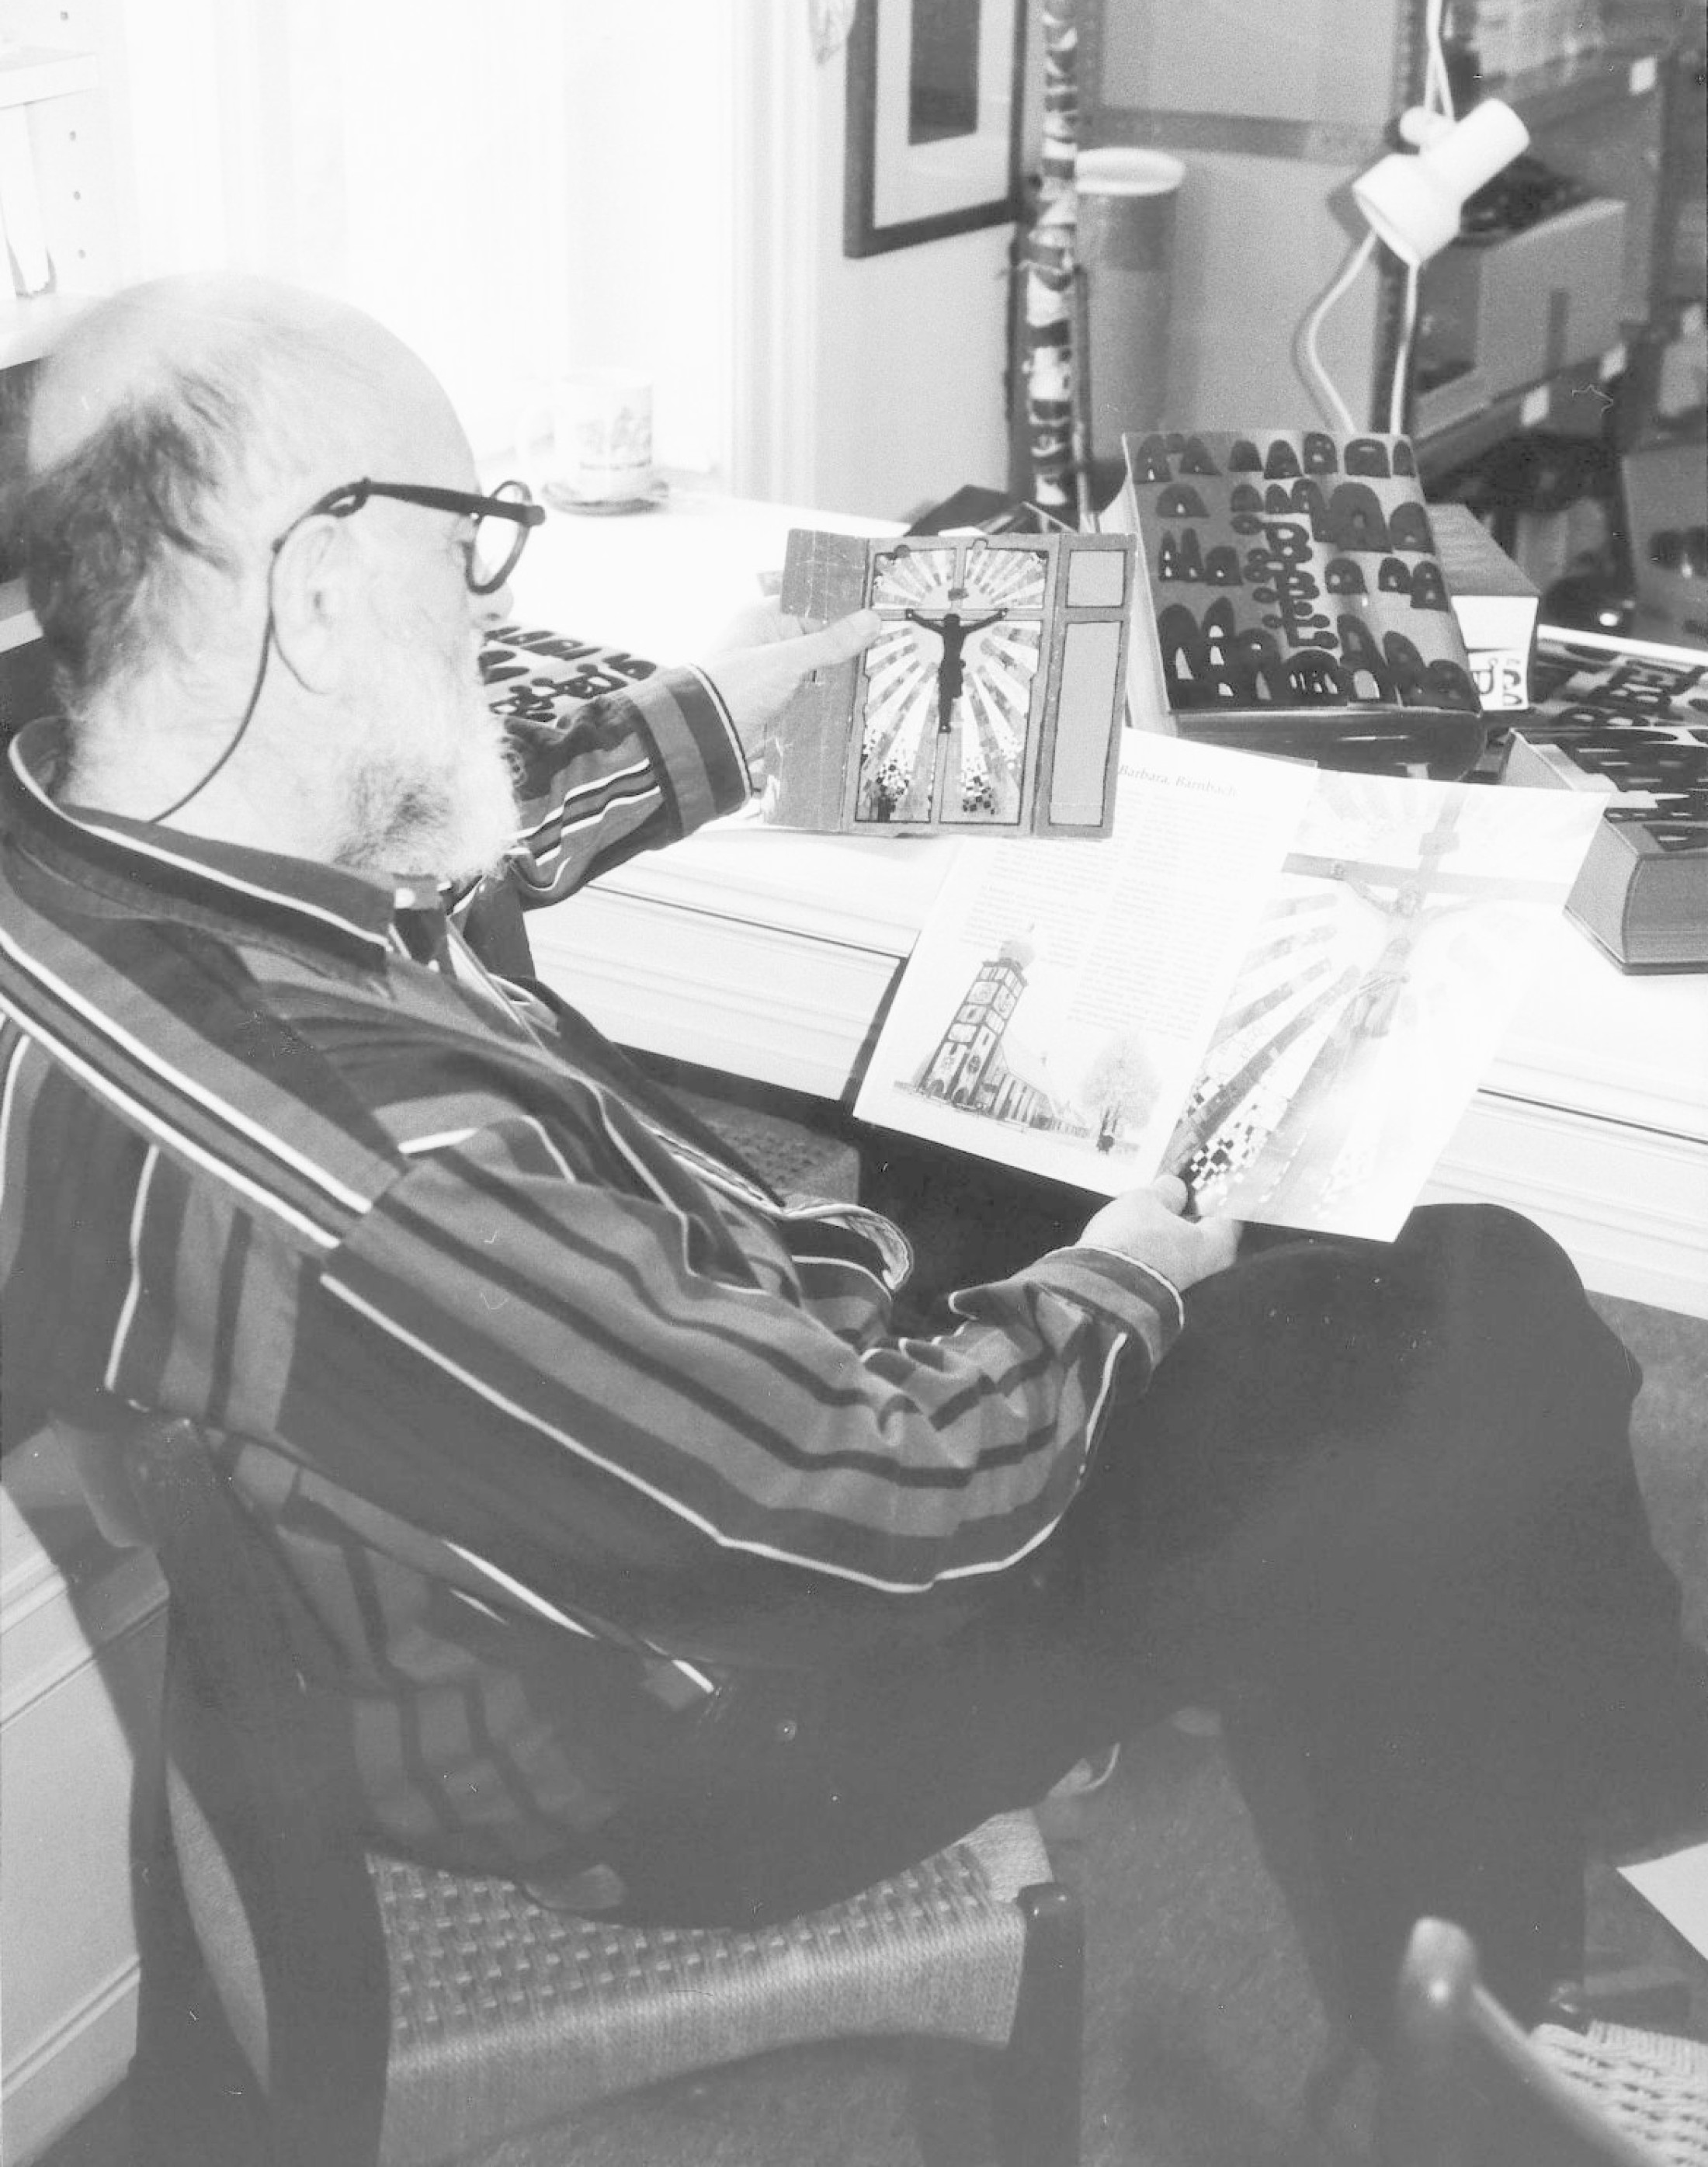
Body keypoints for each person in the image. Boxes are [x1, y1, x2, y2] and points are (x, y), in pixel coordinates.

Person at [2, 276, 1699, 2063]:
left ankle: (1556, 1744)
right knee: (1456, 1330)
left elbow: (459, 857)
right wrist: (1146, 1247)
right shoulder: (372, 1178)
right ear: (320, 595)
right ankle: (1477, 2031)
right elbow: (867, 1500)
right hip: (702, 1717)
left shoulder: (113, 833)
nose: (489, 600)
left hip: (614, 1471)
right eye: (468, 544)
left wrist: (790, 691)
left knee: (1085, 1210)